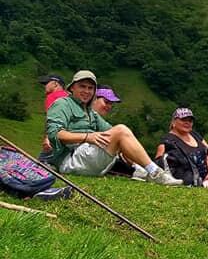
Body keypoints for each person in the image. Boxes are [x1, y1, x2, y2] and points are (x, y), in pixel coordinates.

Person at [45, 69, 182, 185]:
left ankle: (148, 171)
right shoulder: (62, 104)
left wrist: (125, 148)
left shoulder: (90, 113)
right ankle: (154, 172)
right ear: (72, 87)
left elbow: (114, 132)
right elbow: (55, 134)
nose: (86, 91)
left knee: (122, 132)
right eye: (82, 86)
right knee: (121, 130)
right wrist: (88, 137)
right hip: (70, 159)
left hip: (87, 157)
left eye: (90, 88)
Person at [155, 107, 208, 188]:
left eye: (190, 120)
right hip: (185, 183)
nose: (187, 123)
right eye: (183, 119)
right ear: (174, 122)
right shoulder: (166, 141)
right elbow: (158, 165)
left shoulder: (195, 135)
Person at [38, 74, 68, 156]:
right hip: (70, 138)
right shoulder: (68, 97)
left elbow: (52, 119)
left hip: (56, 138)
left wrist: (48, 138)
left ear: (55, 84)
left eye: (47, 83)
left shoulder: (52, 96)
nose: (45, 86)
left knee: (42, 163)